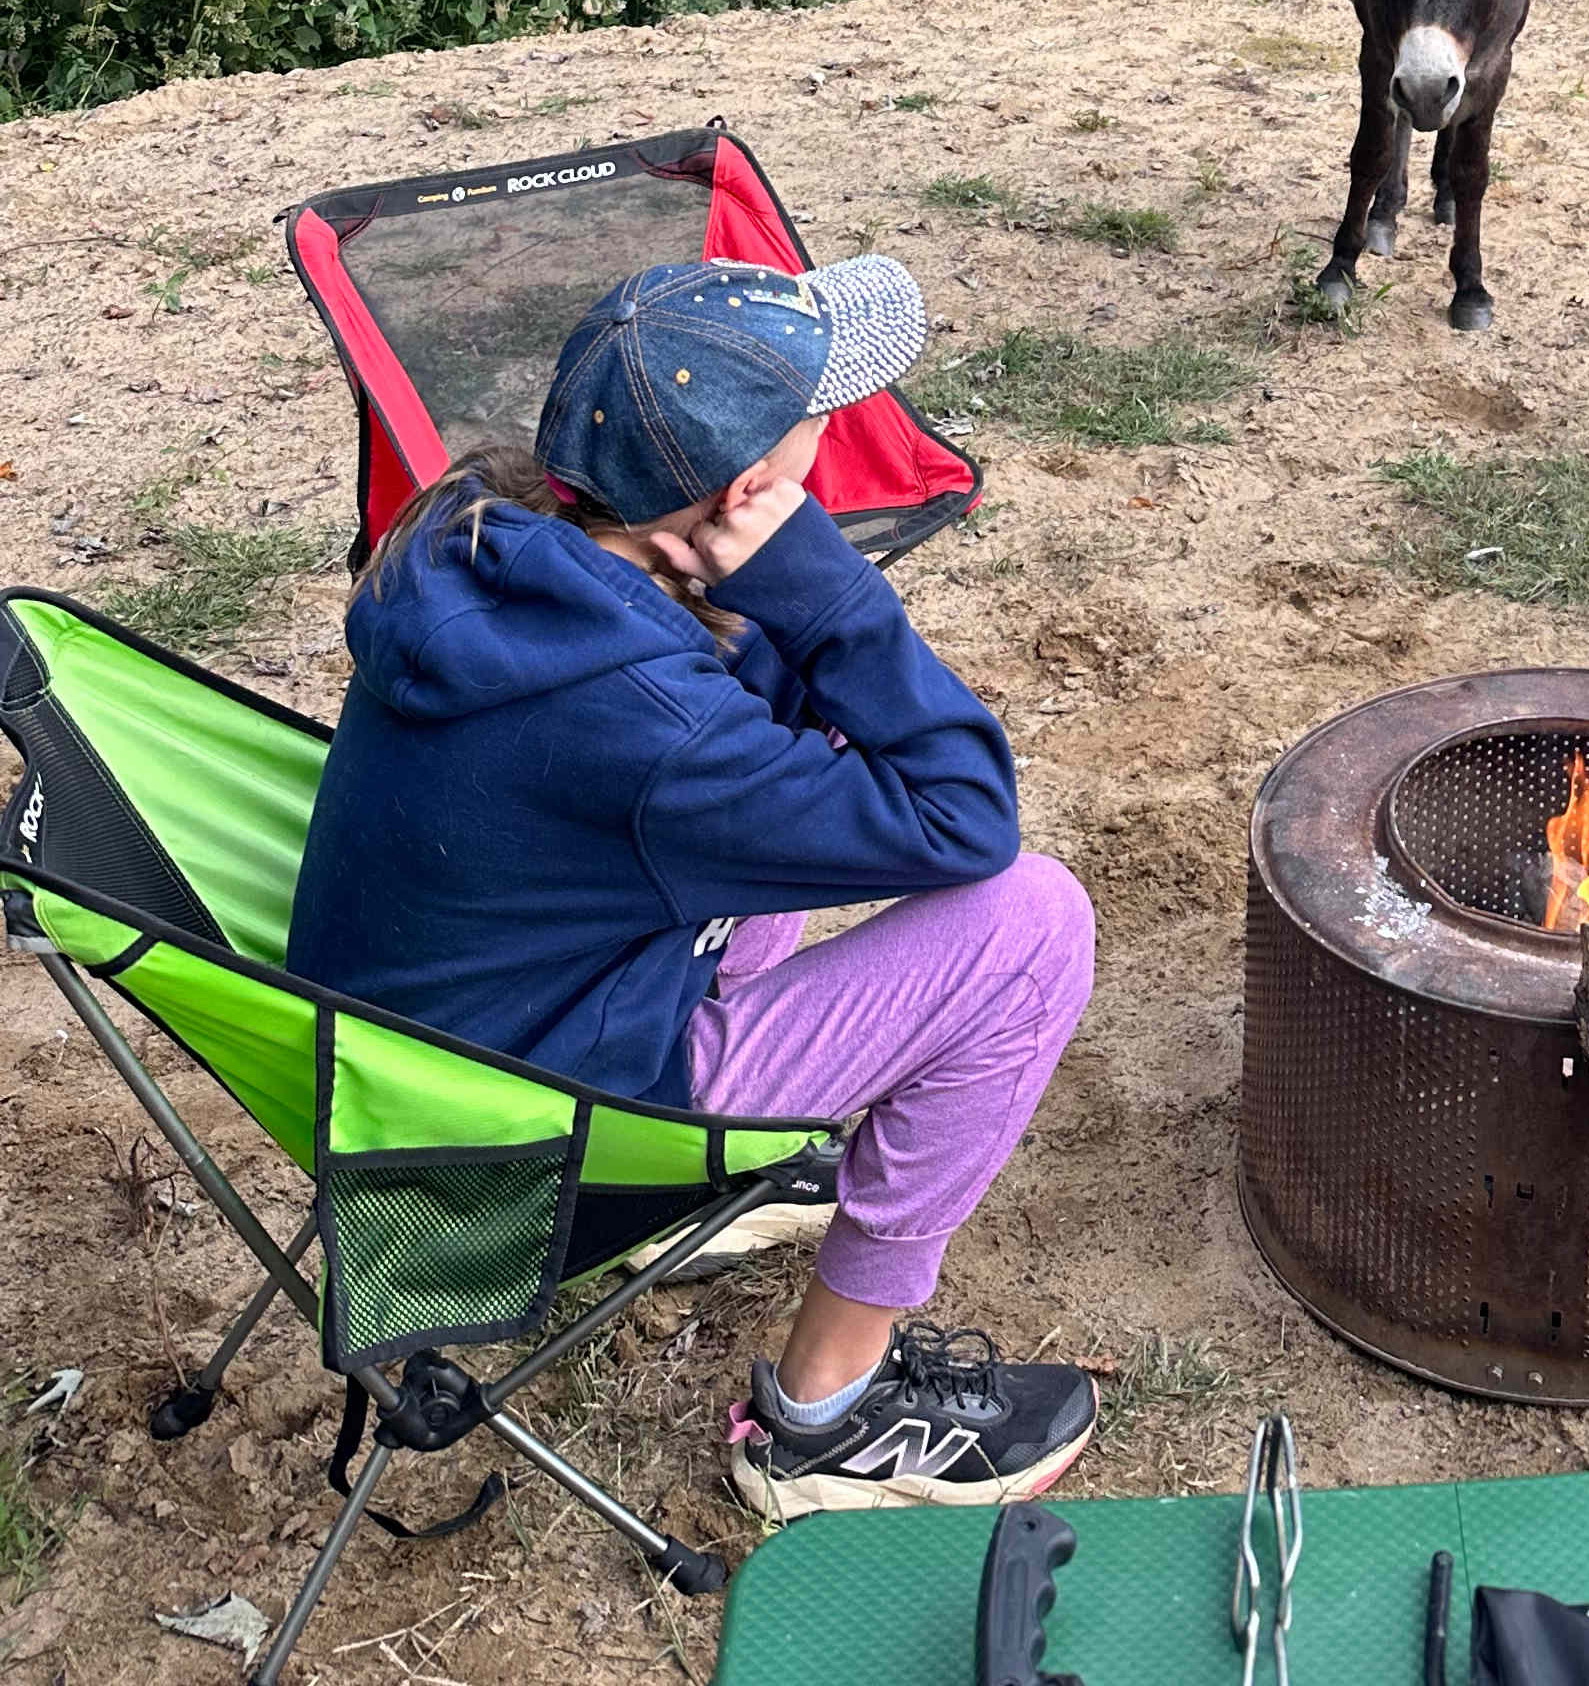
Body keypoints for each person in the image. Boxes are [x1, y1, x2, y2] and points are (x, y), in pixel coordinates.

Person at [287, 248, 1099, 1520]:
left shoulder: (484, 541)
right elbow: (966, 816)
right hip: (530, 1148)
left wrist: (766, 605)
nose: (841, 435)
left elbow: (732, 739)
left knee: (810, 779)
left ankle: (729, 1203)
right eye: (821, 425)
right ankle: (825, 1419)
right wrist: (823, 589)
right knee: (1035, 927)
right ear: (748, 493)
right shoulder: (657, 727)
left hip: (425, 1067)